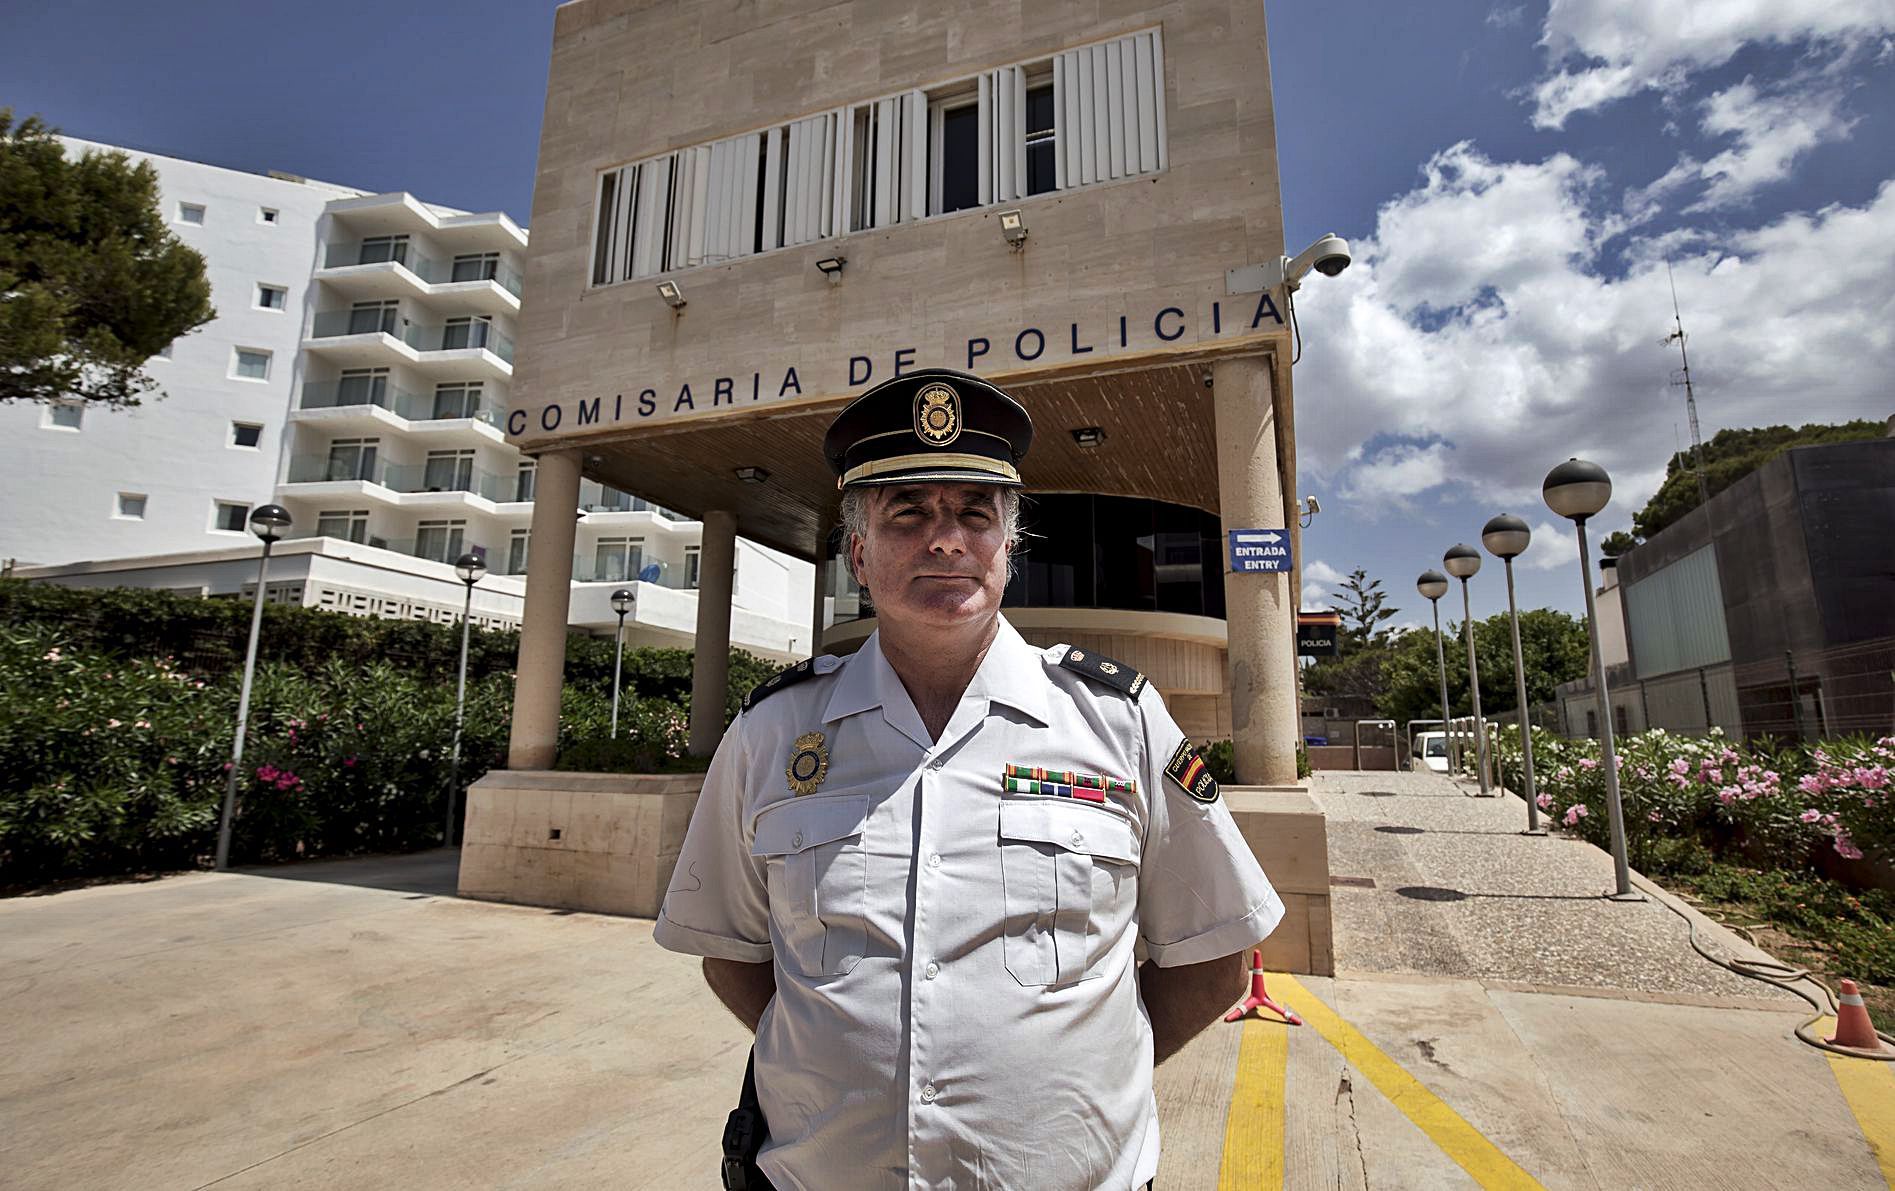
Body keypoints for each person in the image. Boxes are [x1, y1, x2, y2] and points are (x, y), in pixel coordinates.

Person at [653, 367, 1283, 1190]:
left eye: (973, 513)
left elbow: (1213, 956)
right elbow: (730, 951)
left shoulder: (1118, 722)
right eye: (907, 512)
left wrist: (1086, 1075)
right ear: (857, 549)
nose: (944, 539)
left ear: (1007, 547)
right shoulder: (771, 732)